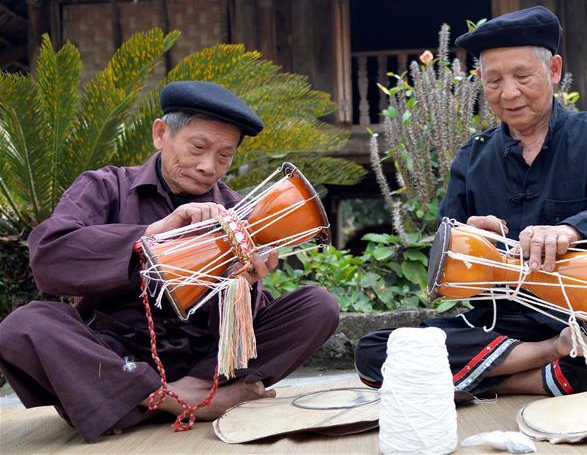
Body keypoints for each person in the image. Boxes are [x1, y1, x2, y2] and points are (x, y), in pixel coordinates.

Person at [355, 6, 587, 397]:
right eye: (494, 80)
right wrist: (467, 240)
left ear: (553, 70)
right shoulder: (472, 156)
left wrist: (571, 230)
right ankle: (545, 357)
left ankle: (503, 380)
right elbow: (445, 256)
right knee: (376, 351)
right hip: (498, 323)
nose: (509, 93)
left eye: (522, 76)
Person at [0, 81, 339, 441]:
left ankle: (156, 399)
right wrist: (148, 236)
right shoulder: (105, 187)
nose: (209, 166)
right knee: (22, 326)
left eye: (225, 156)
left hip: (206, 363)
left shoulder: (239, 212)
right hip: (115, 357)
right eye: (198, 147)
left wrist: (246, 282)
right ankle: (178, 401)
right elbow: (49, 257)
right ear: (161, 134)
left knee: (318, 305)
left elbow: (239, 334)